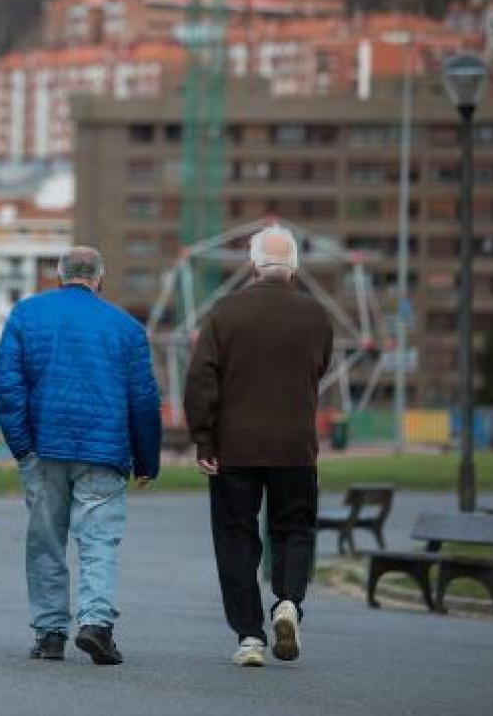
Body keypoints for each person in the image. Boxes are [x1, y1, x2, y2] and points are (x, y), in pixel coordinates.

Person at [0, 246, 161, 665]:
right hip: (103, 451)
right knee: (99, 540)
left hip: (44, 448)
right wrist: (146, 459)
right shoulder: (126, 328)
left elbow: (8, 388)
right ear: (99, 279)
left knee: (45, 542)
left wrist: (22, 448)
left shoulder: (25, 316)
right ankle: (96, 624)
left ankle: (50, 634)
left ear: (58, 275)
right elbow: (143, 400)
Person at [184, 225, 333, 667]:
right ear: (294, 268)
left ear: (251, 265)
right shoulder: (315, 315)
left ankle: (250, 636)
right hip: (295, 447)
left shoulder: (225, 312)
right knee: (293, 528)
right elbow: (318, 368)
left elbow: (200, 379)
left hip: (235, 449)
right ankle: (288, 600)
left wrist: (204, 439)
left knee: (236, 539)